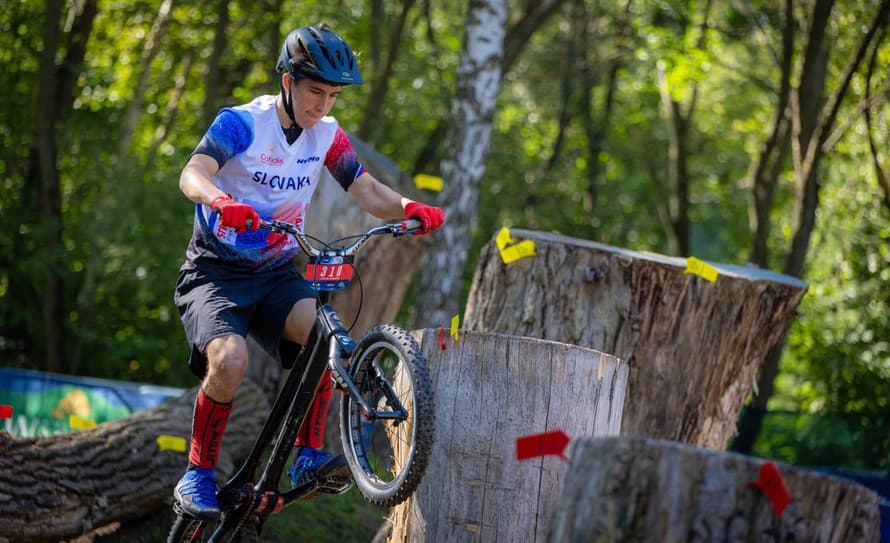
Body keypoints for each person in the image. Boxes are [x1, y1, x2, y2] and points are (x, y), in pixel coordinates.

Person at [171, 23, 445, 521]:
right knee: (230, 363)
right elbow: (193, 173)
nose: (322, 105)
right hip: (215, 274)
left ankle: (307, 455)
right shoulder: (242, 124)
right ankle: (197, 475)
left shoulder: (327, 137)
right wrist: (221, 200)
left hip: (276, 271)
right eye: (315, 91)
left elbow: (364, 189)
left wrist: (408, 205)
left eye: (333, 95)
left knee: (327, 340)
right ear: (287, 81)